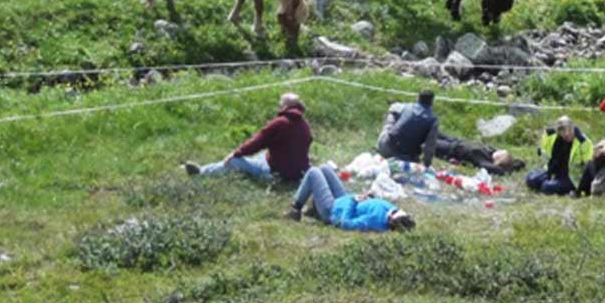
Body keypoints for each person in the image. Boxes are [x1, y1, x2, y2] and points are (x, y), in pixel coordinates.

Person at [182, 92, 312, 184]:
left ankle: (202, 172)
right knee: (262, 156)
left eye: (280, 104)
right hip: (299, 173)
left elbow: (257, 142)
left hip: (277, 174)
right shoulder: (304, 124)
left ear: (284, 106)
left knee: (234, 161)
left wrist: (236, 153)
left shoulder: (280, 123)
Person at [286, 163, 416, 231]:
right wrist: (369, 197)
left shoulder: (373, 220)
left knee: (313, 172)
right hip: (343, 200)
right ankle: (314, 210)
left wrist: (353, 201)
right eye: (396, 210)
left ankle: (295, 210)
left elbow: (345, 224)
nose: (393, 210)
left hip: (332, 210)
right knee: (324, 168)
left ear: (391, 220)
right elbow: (374, 205)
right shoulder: (391, 210)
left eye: (393, 213)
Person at [524, 115, 592, 195]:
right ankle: (546, 183)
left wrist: (581, 187)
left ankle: (548, 185)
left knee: (547, 187)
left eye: (569, 131)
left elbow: (588, 167)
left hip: (571, 176)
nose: (567, 134)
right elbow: (542, 152)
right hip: (552, 170)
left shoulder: (584, 142)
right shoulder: (550, 135)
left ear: (573, 127)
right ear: (558, 131)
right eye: (563, 132)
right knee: (531, 179)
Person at [377, 90, 439, 166]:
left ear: (418, 98)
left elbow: (392, 108)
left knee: (390, 123)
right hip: (405, 157)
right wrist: (427, 163)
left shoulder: (404, 106)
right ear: (432, 102)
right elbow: (430, 145)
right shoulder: (433, 120)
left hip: (385, 146)